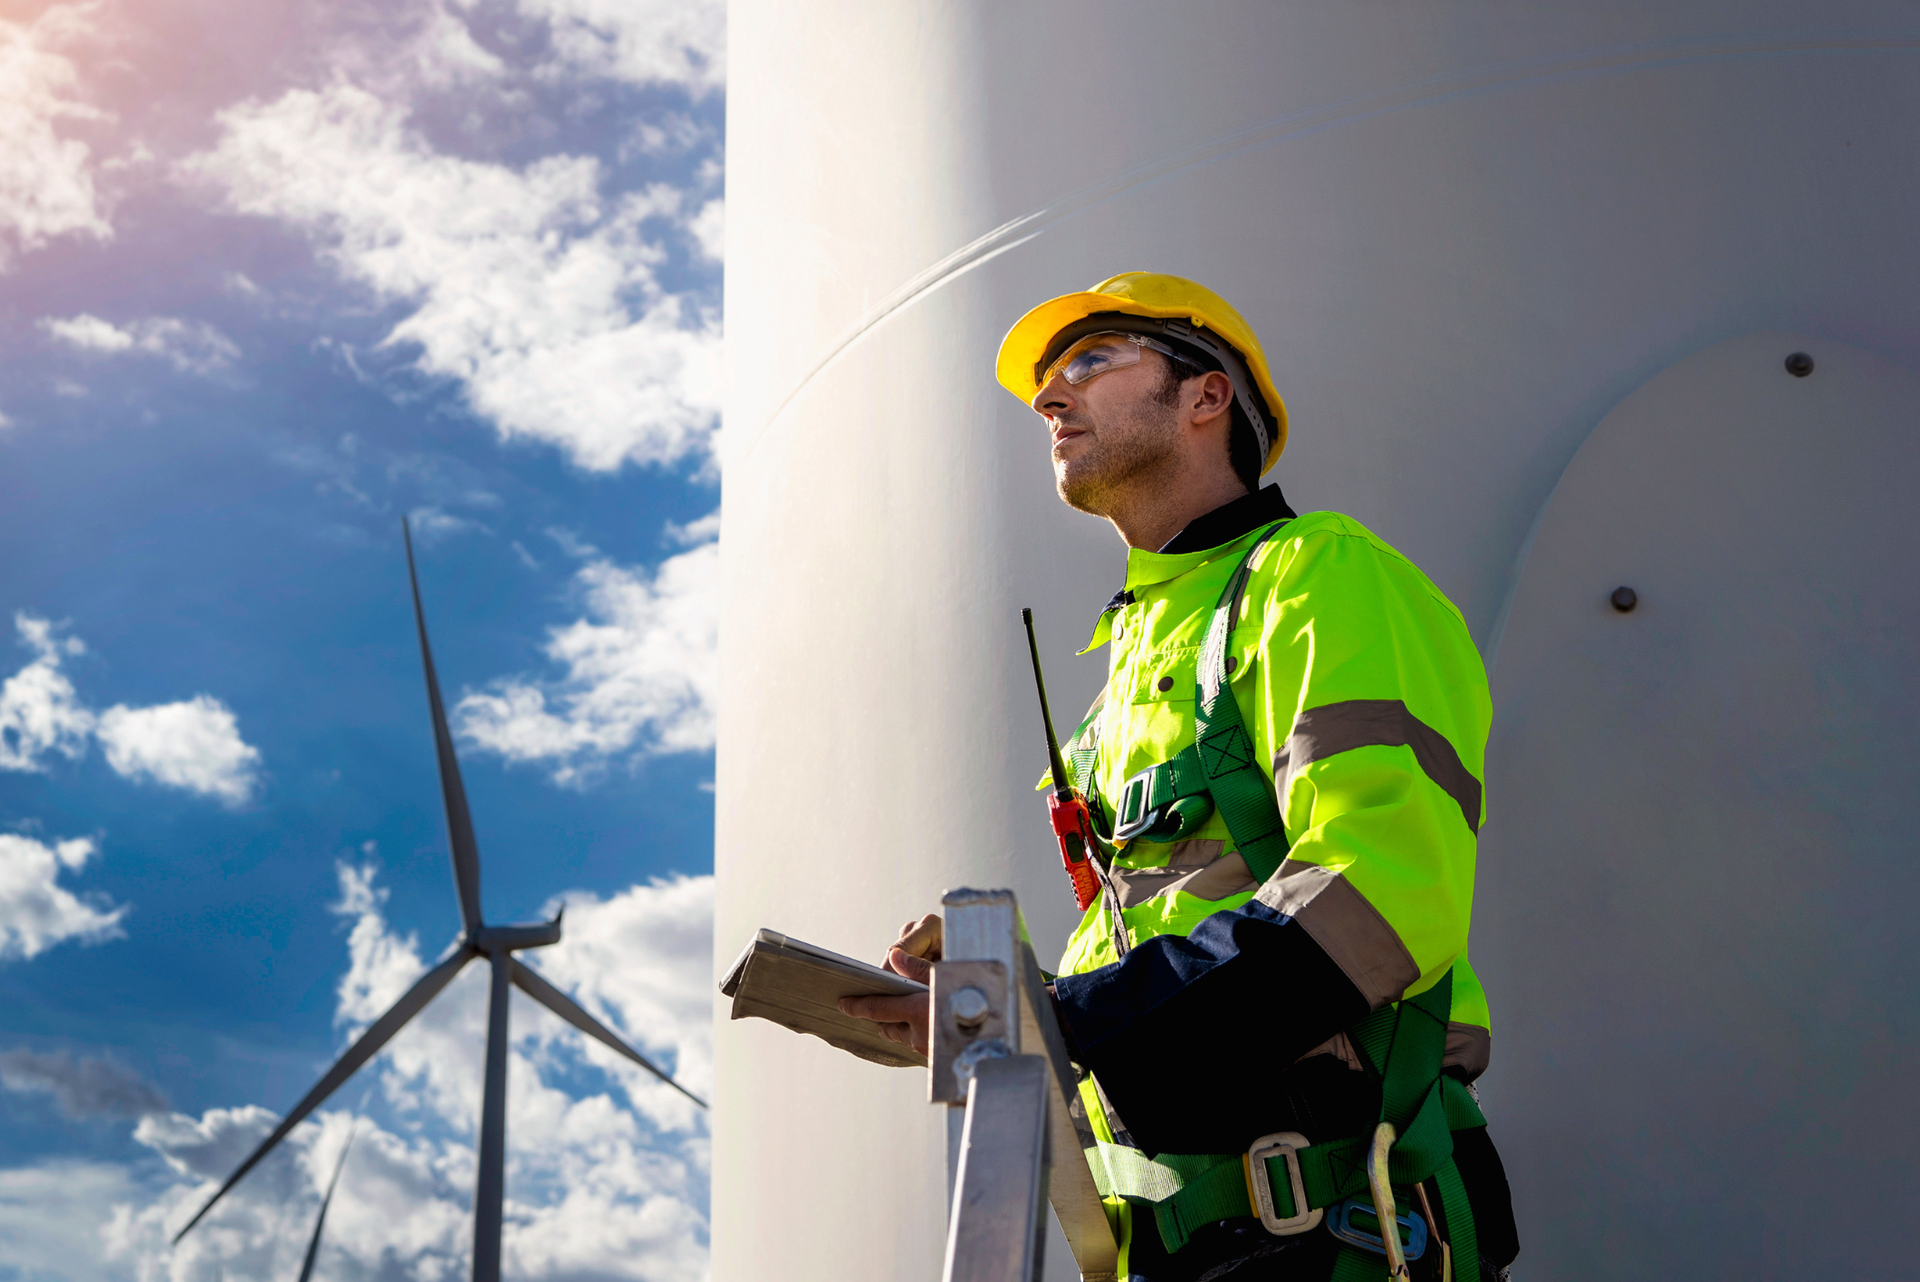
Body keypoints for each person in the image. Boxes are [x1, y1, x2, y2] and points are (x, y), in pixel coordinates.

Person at [841, 273, 1519, 1281]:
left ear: (1207, 398)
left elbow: (1384, 890)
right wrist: (999, 988)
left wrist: (1070, 1013)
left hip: (1338, 1229)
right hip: (1173, 1243)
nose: (1050, 399)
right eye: (1049, 383)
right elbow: (1161, 934)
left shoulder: (1318, 575)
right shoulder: (1123, 682)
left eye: (1093, 361)